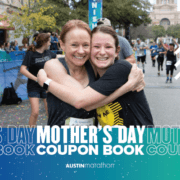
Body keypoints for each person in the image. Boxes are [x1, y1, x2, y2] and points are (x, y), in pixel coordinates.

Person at [37, 24, 152, 127]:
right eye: (96, 46)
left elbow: (83, 102)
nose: (102, 52)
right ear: (62, 45)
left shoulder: (116, 68)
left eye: (108, 47)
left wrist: (45, 83)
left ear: (117, 51)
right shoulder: (58, 65)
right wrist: (128, 86)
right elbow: (84, 102)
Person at [20, 33, 56, 126]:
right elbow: (22, 69)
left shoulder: (49, 53)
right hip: (33, 86)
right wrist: (37, 79)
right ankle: (31, 134)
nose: (50, 43)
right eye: (49, 41)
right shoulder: (31, 53)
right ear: (44, 42)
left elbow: (60, 59)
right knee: (35, 112)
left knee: (50, 112)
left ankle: (52, 133)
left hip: (46, 85)